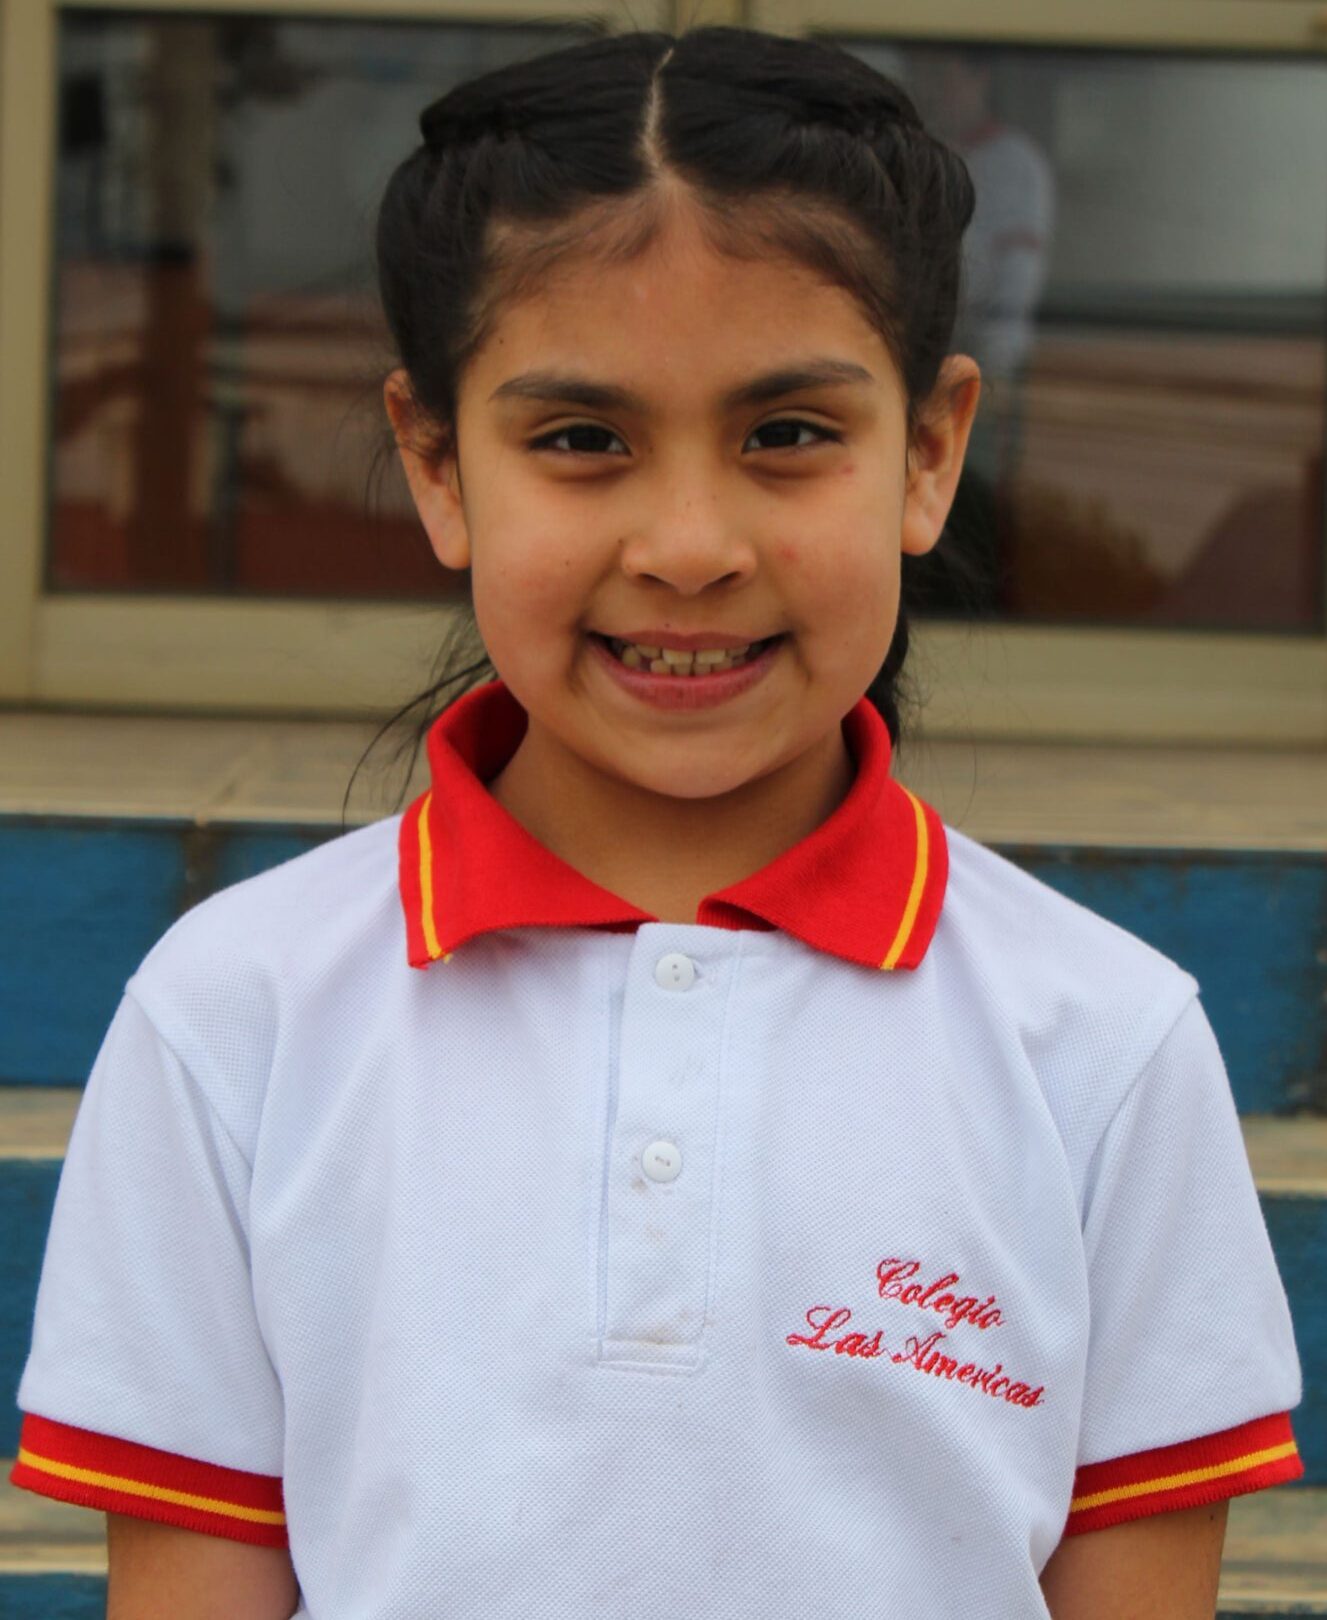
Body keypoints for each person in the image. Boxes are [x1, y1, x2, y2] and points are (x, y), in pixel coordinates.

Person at [9, 25, 1304, 1620]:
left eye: (788, 435)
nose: (689, 546)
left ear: (929, 453)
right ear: (437, 466)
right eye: (581, 441)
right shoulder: (234, 1023)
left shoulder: (1103, 1046)